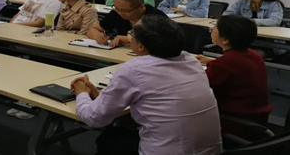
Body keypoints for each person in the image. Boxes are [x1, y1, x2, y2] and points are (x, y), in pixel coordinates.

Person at [71, 14, 222, 155]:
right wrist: (102, 96)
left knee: (109, 139)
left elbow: (94, 118)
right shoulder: (191, 61)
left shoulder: (133, 70)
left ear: (141, 46)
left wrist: (82, 93)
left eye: (132, 34)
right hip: (211, 151)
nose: (130, 37)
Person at [195, 16, 272, 133]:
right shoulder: (254, 54)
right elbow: (236, 67)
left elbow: (200, 85)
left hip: (234, 120)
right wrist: (212, 61)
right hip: (257, 116)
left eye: (214, 29)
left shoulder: (225, 63)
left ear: (225, 40)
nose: (211, 31)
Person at [87, 0, 165, 47]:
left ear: (141, 7)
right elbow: (93, 29)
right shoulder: (116, 13)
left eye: (125, 11)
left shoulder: (156, 17)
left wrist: (128, 39)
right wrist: (97, 36)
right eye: (116, 8)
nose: (120, 13)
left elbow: (164, 42)